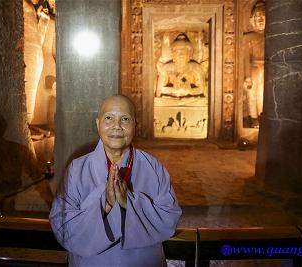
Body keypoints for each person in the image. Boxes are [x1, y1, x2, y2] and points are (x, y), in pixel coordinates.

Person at [49, 95, 182, 267]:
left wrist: (129, 202)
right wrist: (106, 204)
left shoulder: (153, 167)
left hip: (143, 261)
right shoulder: (77, 169)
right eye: (109, 118)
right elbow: (61, 224)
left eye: (125, 119)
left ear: (135, 125)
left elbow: (169, 217)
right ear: (98, 123)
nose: (117, 126)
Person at [156, 33, 205, 97]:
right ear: (173, 55)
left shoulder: (195, 67)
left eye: (184, 52)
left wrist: (188, 91)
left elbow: (201, 90)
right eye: (178, 52)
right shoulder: (166, 68)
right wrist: (176, 90)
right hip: (171, 99)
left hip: (190, 100)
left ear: (190, 55)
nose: (181, 55)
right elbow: (159, 90)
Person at [242, 1, 265, 128]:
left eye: (262, 17)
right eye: (257, 17)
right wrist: (247, 75)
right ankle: (253, 117)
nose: (260, 20)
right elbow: (245, 57)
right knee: (251, 92)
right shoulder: (248, 38)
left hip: (267, 68)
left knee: (263, 93)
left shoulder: (271, 36)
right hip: (254, 67)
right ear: (252, 20)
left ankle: (262, 115)